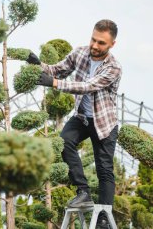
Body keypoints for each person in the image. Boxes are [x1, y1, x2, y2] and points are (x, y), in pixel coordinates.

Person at [26, 19, 121, 229]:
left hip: (104, 123)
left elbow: (87, 86)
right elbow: (57, 70)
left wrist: (54, 84)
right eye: (93, 39)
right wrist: (38, 65)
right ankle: (83, 191)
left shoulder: (114, 68)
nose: (95, 46)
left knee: (104, 169)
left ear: (112, 44)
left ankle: (104, 218)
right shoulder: (80, 53)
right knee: (63, 142)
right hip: (82, 118)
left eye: (102, 43)